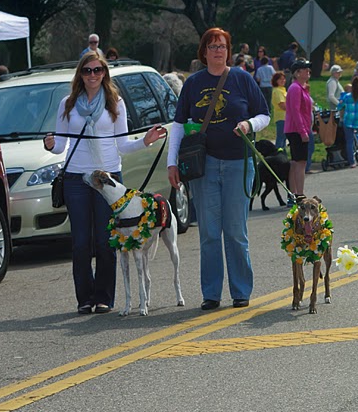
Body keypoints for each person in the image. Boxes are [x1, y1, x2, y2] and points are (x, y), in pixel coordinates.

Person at [44, 52, 166, 314]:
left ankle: (104, 298)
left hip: (108, 178)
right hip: (77, 177)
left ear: (104, 73)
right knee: (80, 242)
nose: (92, 75)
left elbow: (122, 144)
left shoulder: (115, 103)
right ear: (80, 74)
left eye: (97, 70)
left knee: (105, 239)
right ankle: (84, 298)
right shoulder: (68, 103)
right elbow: (61, 146)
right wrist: (51, 145)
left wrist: (146, 141)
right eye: (87, 71)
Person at [167, 27, 269, 311]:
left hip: (238, 162)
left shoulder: (241, 78)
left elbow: (264, 114)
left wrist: (250, 124)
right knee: (210, 232)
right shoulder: (193, 83)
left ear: (229, 50)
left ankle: (240, 290)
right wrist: (172, 162)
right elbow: (178, 125)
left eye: (222, 46)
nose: (218, 51)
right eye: (212, 46)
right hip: (205, 164)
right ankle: (211, 293)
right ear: (204, 51)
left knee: (236, 231)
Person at [285, 59, 314, 194]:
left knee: (296, 162)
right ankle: (299, 194)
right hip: (296, 130)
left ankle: (295, 193)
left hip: (300, 128)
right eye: (304, 69)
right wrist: (303, 131)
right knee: (300, 162)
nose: (308, 71)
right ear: (297, 73)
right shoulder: (295, 88)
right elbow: (295, 111)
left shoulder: (302, 87)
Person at [270, 70, 288, 151]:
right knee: (281, 137)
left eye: (284, 79)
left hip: (286, 117)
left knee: (284, 138)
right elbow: (282, 105)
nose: (283, 81)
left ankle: (282, 153)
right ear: (275, 81)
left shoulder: (282, 90)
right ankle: (277, 153)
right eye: (280, 79)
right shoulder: (277, 91)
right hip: (281, 117)